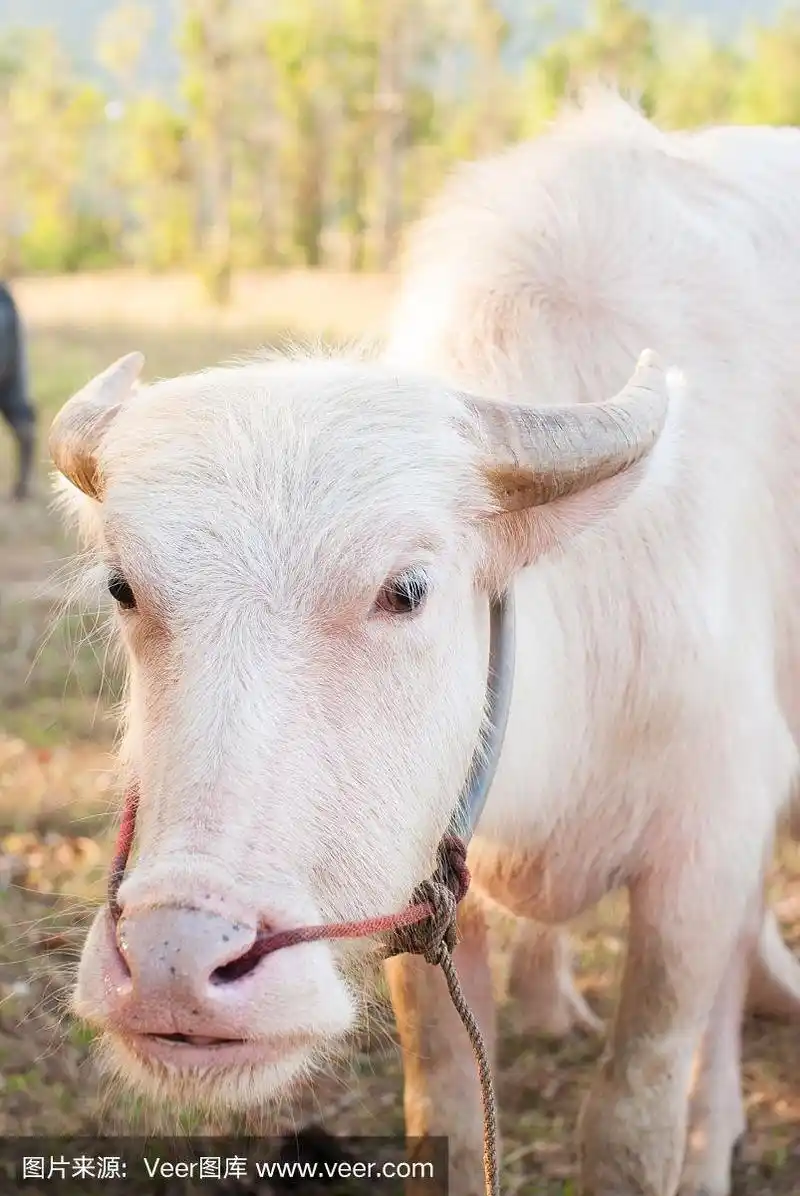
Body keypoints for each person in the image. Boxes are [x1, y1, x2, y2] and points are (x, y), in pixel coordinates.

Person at [0, 280, 35, 500]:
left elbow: (12, 339)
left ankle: (23, 486)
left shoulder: (4, 297)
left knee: (25, 430)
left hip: (9, 376)